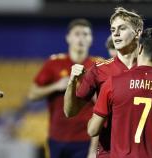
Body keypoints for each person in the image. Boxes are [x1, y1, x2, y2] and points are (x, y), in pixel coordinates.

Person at [64, 7, 152, 158]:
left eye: (122, 28)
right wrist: (72, 82)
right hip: (108, 153)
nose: (115, 34)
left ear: (138, 33)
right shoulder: (99, 70)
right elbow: (70, 112)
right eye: (113, 29)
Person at [27, 19, 102, 158]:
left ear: (91, 39)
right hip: (57, 137)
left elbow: (106, 105)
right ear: (68, 37)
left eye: (85, 34)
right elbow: (32, 94)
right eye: (77, 34)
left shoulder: (99, 66)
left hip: (85, 139)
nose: (81, 38)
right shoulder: (54, 63)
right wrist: (55, 86)